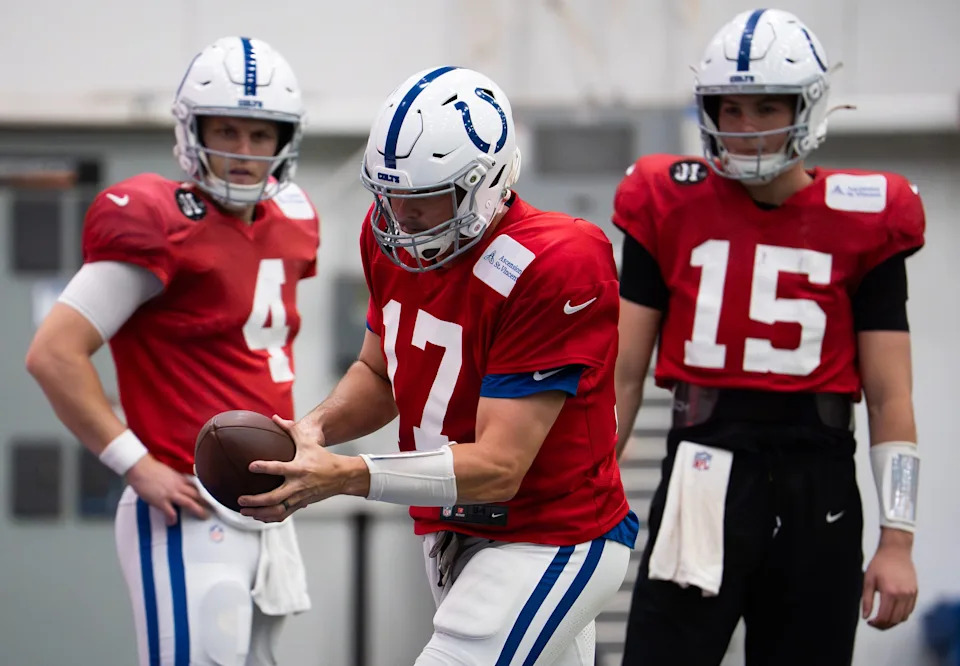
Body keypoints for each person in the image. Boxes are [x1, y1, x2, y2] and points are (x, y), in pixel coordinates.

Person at [237, 66, 637, 665]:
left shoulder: (555, 260)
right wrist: (315, 428)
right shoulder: (389, 237)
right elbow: (380, 374)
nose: (401, 219)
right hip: (452, 530)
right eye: (389, 196)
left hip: (548, 537)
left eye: (422, 201)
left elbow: (501, 466)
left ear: (488, 182)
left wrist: (345, 475)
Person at [612, 8, 924, 666]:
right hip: (702, 469)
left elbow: (892, 395)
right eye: (730, 108)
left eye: (765, 106)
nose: (746, 127)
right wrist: (590, 484)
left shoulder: (870, 215)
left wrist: (898, 538)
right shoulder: (665, 198)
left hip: (820, 480)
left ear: (807, 108)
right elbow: (622, 373)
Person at [25, 36, 317, 666]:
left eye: (260, 136)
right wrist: (134, 462)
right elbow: (53, 354)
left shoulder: (295, 216)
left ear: (283, 141)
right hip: (185, 498)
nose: (243, 153)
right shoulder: (158, 219)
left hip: (265, 506)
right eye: (227, 131)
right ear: (193, 130)